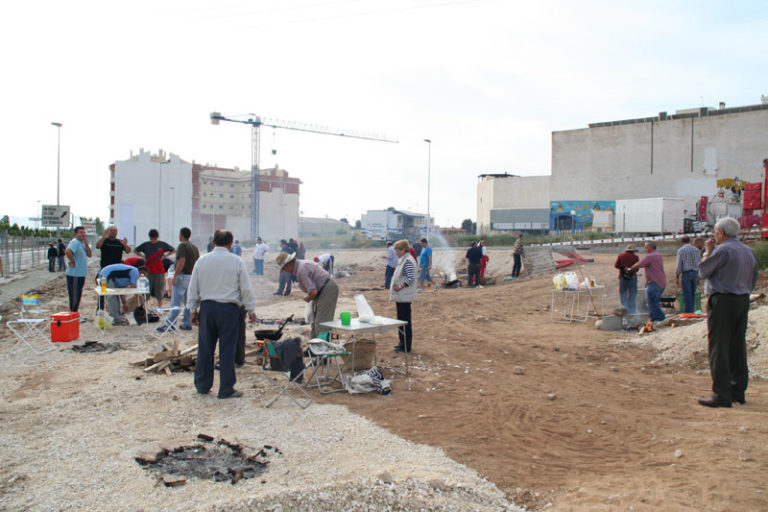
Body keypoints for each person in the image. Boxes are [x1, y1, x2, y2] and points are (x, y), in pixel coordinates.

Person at [188, 229, 257, 399]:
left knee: (205, 347)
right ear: (230, 243)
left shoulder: (202, 261)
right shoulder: (236, 261)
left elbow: (193, 288)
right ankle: (226, 388)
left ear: (213, 243)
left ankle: (203, 385)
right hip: (229, 310)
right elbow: (245, 288)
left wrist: (192, 310)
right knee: (227, 349)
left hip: (207, 308)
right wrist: (251, 309)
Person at [697, 217, 758, 408]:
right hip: (742, 299)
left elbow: (703, 271)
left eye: (715, 232)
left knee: (719, 346)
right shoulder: (747, 251)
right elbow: (753, 278)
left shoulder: (723, 250)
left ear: (721, 233)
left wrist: (708, 252)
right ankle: (737, 390)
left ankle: (721, 394)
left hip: (723, 300)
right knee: (737, 344)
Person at [277, 251, 339, 339]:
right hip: (322, 290)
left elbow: (313, 292)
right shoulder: (301, 266)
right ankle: (314, 347)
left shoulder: (301, 270)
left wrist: (307, 298)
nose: (286, 271)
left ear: (288, 266)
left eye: (285, 269)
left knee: (321, 324)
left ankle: (323, 349)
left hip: (327, 290)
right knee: (315, 323)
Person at [158, 227, 199, 333]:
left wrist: (175, 276)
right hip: (191, 276)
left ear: (181, 235)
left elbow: (181, 260)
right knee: (188, 302)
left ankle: (170, 324)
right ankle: (187, 323)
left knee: (176, 302)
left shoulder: (182, 246)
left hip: (182, 276)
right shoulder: (194, 247)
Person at [134, 229, 175, 308]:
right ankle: (144, 308)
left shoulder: (162, 244)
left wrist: (165, 256)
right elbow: (135, 250)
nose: (153, 240)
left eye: (155, 239)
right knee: (147, 290)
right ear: (150, 238)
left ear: (157, 237)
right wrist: (142, 256)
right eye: (152, 239)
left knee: (159, 290)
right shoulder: (146, 245)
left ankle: (160, 307)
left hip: (159, 271)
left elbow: (173, 250)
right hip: (148, 271)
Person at [390, 239, 417, 353]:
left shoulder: (408, 261)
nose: (396, 253)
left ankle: (406, 346)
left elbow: (410, 278)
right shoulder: (404, 260)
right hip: (401, 296)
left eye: (397, 250)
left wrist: (400, 286)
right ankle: (402, 344)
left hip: (404, 296)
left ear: (403, 250)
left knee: (405, 322)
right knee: (401, 321)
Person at [95, 225, 131, 312]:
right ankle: (100, 309)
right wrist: (103, 238)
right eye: (111, 230)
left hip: (116, 271)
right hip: (105, 270)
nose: (113, 232)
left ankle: (121, 307)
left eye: (115, 230)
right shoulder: (104, 241)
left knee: (118, 289)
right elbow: (97, 246)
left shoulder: (119, 242)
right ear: (108, 231)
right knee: (102, 290)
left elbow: (128, 251)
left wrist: (125, 245)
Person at [630, 241, 667, 322]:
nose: (645, 249)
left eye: (646, 247)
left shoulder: (650, 256)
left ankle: (659, 319)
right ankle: (655, 318)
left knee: (652, 302)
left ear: (651, 247)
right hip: (661, 281)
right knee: (655, 301)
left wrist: (630, 269)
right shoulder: (658, 255)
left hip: (654, 282)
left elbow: (638, 264)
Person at [65, 226, 92, 314]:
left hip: (81, 274)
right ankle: (73, 313)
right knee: (74, 296)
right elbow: (68, 251)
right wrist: (72, 261)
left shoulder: (82, 243)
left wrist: (87, 244)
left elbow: (90, 254)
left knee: (78, 294)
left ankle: (75, 313)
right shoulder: (75, 242)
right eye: (81, 232)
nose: (83, 234)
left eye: (84, 232)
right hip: (74, 274)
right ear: (76, 234)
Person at [675, 236, 702, 313]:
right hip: (695, 272)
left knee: (687, 293)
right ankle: (692, 310)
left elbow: (679, 265)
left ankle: (689, 311)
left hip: (686, 273)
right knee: (693, 293)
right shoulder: (696, 250)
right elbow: (699, 263)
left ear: (682, 242)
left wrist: (677, 276)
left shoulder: (681, 250)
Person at [614, 244, 640, 314]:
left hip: (623, 277)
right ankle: (632, 312)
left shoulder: (621, 256)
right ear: (633, 251)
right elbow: (637, 269)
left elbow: (616, 265)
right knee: (632, 294)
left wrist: (623, 268)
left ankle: (624, 311)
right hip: (633, 277)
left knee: (623, 294)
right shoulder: (636, 257)